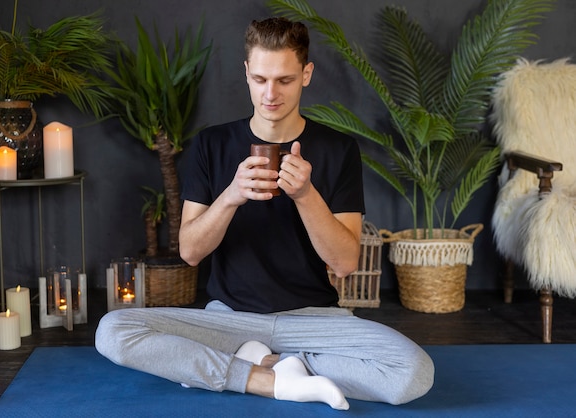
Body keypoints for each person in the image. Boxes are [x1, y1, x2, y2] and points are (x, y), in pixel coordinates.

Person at [95, 17, 434, 410]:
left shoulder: (337, 148)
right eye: (259, 79)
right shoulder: (213, 144)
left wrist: (306, 195)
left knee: (413, 371)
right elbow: (189, 252)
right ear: (246, 74)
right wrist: (231, 196)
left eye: (284, 80)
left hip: (315, 321)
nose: (270, 93)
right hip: (229, 319)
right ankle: (269, 380)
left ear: (306, 74)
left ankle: (257, 362)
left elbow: (344, 262)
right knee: (114, 330)